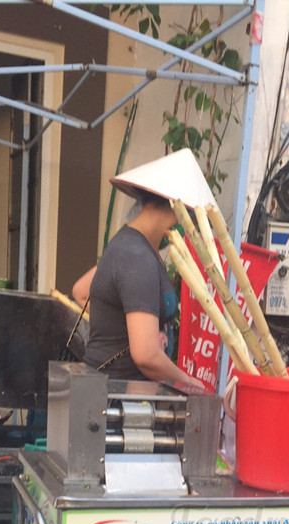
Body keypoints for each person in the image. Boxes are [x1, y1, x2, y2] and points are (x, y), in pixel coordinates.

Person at [72, 149, 213, 388]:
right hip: (115, 393)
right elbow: (146, 355)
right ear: (177, 211)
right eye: (189, 216)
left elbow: (81, 290)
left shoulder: (129, 245)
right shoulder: (137, 257)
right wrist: (188, 382)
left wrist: (127, 326)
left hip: (119, 387)